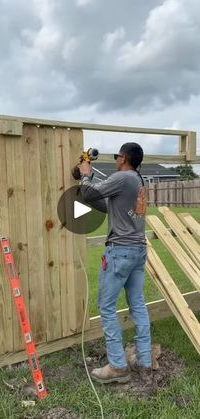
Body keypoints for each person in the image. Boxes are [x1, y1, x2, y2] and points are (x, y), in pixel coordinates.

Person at [80, 142, 152, 384]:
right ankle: (143, 361)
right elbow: (107, 206)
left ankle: (118, 367)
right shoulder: (138, 182)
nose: (115, 160)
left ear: (123, 158)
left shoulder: (123, 177)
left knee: (107, 307)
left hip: (120, 252)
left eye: (116, 156)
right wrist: (88, 188)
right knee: (138, 305)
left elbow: (90, 192)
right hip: (137, 251)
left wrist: (85, 174)